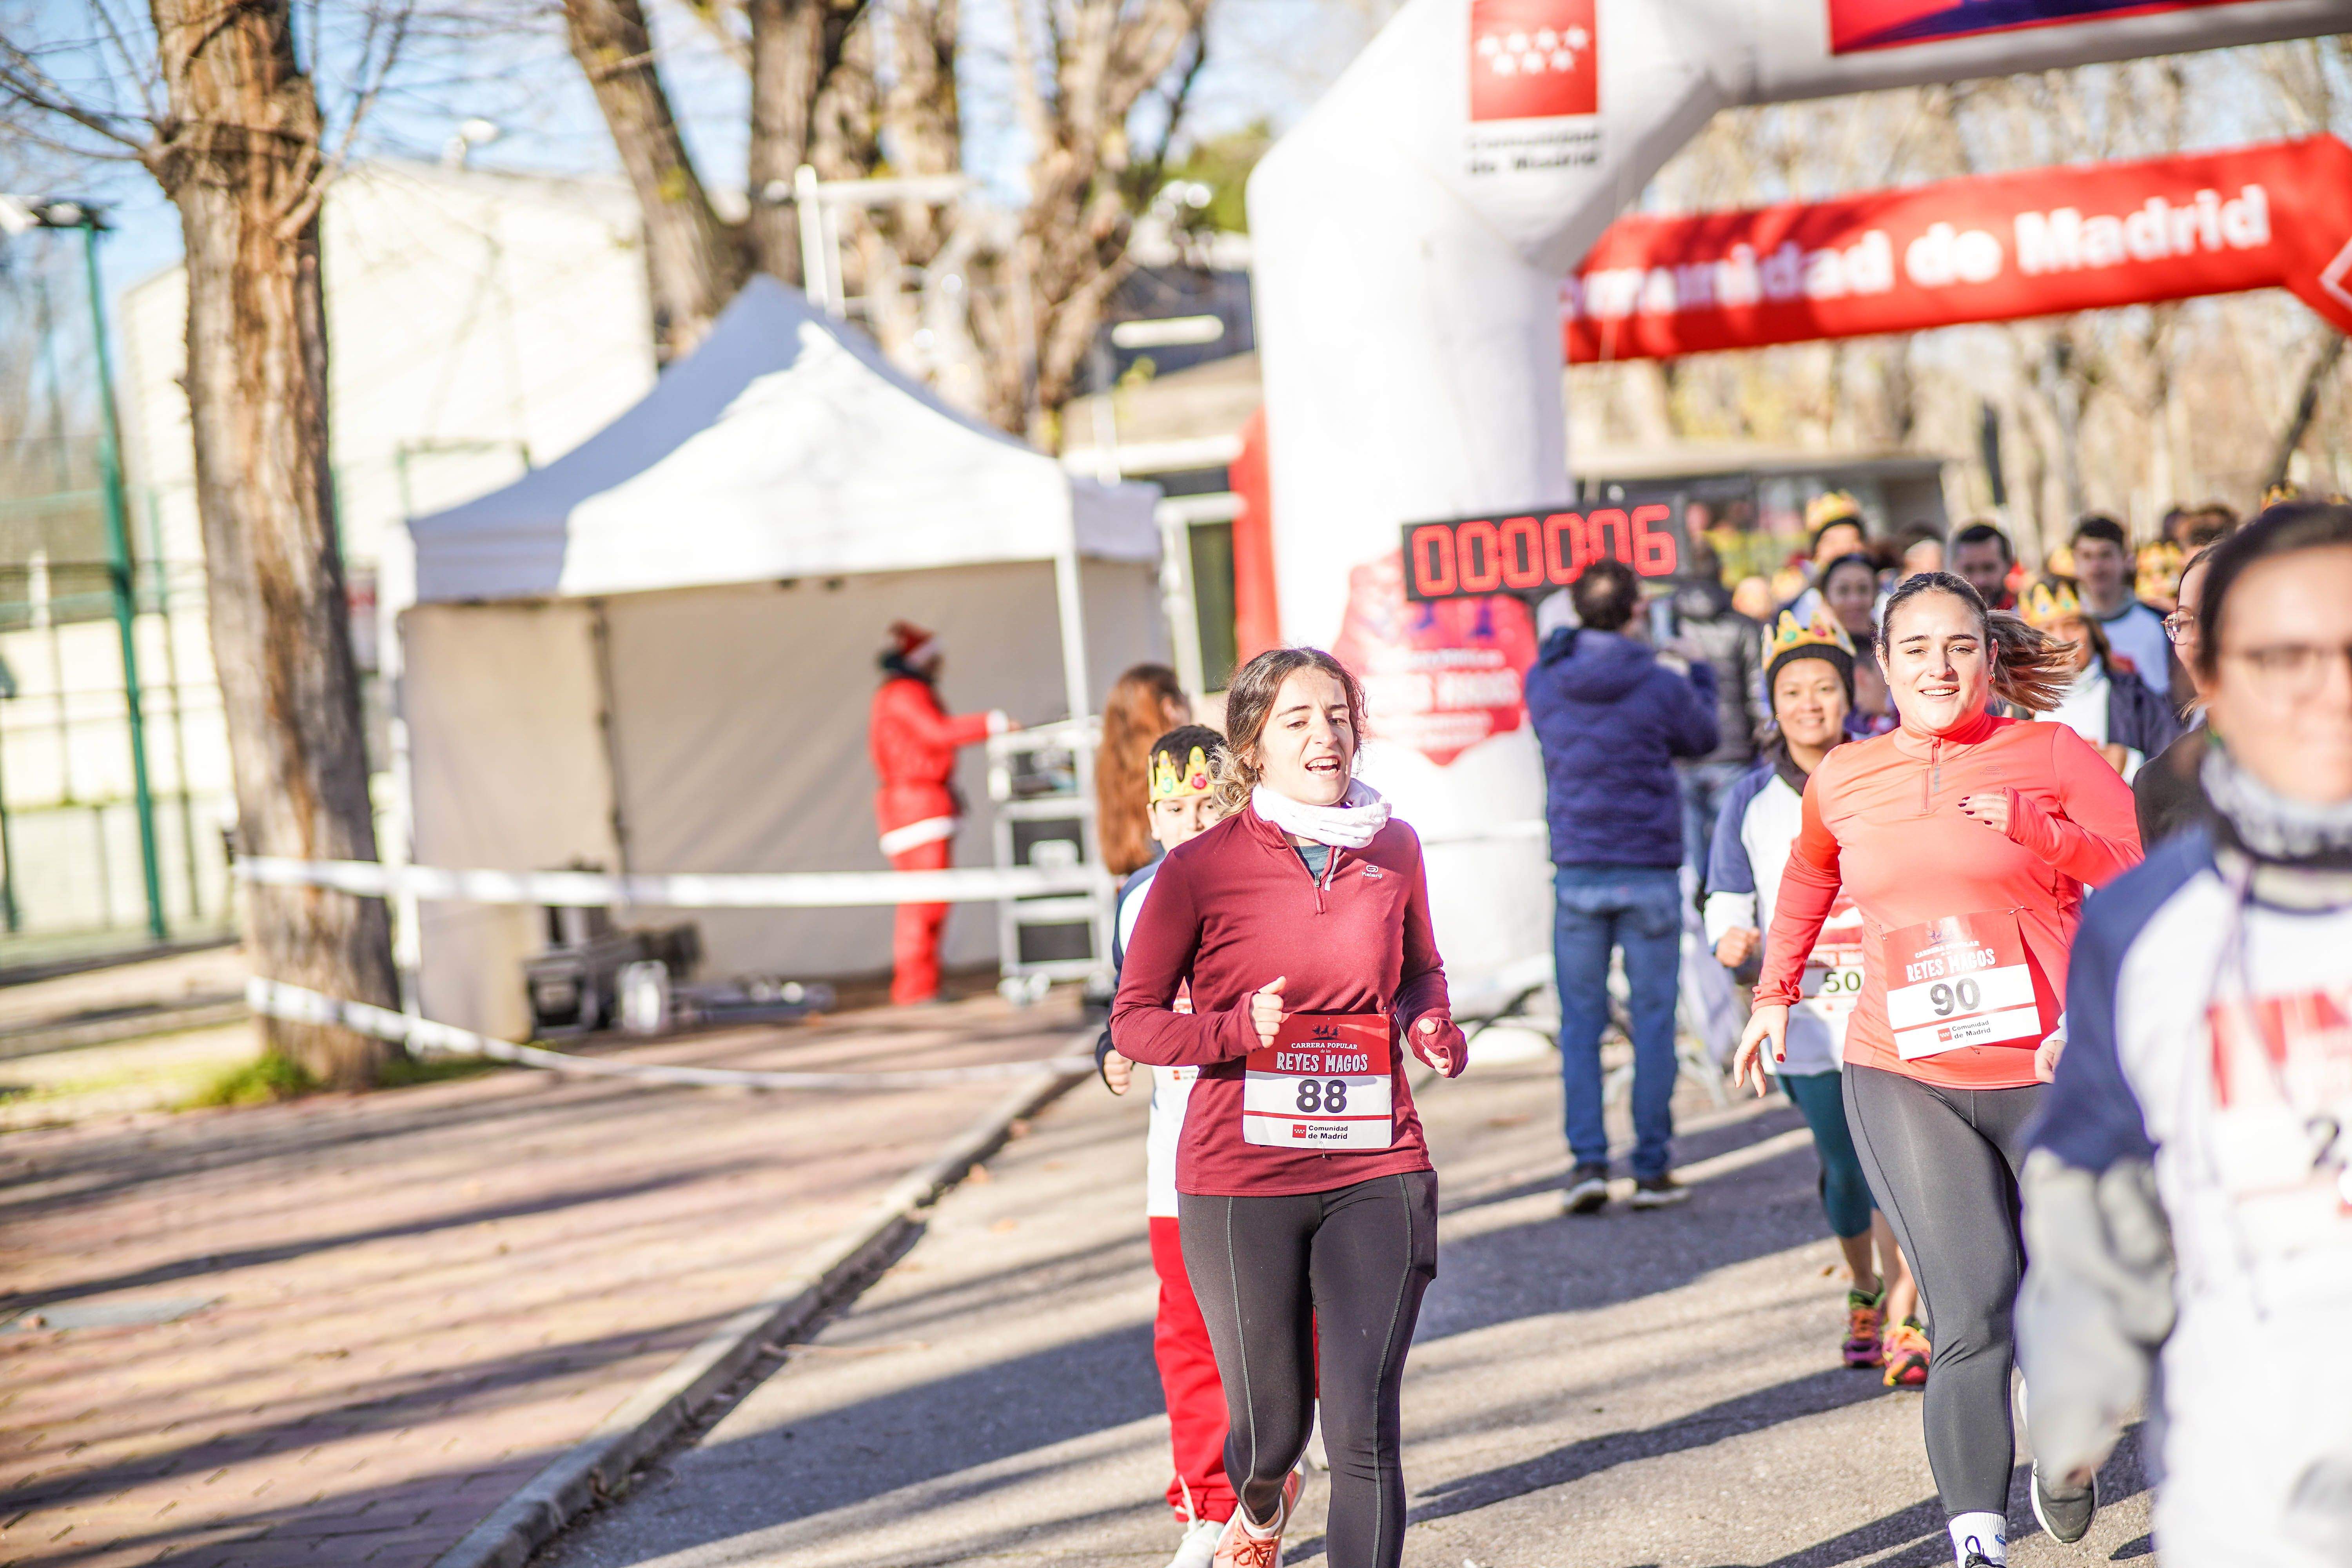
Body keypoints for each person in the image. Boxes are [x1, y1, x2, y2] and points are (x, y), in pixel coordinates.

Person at [1732, 571, 2141, 1568]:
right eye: (1915, 648)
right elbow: (1810, 872)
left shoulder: (2052, 752)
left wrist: (2041, 831)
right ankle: (1977, 1540)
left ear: (1990, 656)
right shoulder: (1845, 776)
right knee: (1971, 1300)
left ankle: (2065, 1434)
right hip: (1902, 1070)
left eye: (1959, 645)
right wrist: (1774, 993)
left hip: (2048, 1069)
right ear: (1884, 663)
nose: (1939, 667)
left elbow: (2142, 872)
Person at [2018, 501, 2352, 1566]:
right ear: (2215, 672)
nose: (2328, 687)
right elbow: (2092, 1162)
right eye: (2284, 656)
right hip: (2254, 1474)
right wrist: (2078, 1358)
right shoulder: (2146, 923)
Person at [1111, 646, 1466, 1568]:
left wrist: (1430, 1021)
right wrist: (1232, 1029)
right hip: (1239, 1175)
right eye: (1298, 719)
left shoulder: (1393, 846)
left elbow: (1419, 970)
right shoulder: (1199, 868)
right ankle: (1261, 1502)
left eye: (1339, 715)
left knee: (1364, 1428)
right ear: (1252, 746)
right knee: (1272, 1429)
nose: (1326, 735)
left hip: (1375, 1159)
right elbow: (1134, 1021)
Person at [1707, 610, 1922, 1381]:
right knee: (1845, 1167)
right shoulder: (1750, 799)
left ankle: (1906, 1319)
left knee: (1896, 1164)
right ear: (1773, 703)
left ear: (1850, 692)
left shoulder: (1884, 772)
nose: (1809, 704)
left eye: (1824, 687)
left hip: (1891, 1007)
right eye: (1792, 690)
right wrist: (1730, 938)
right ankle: (1865, 1286)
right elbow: (1725, 897)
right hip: (1803, 1021)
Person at [1526, 558, 1719, 1212]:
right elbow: (1703, 738)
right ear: (1638, 609)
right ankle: (1651, 1168)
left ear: (1576, 609)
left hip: (1579, 867)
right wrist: (1698, 671)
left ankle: (1586, 1166)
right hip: (1648, 868)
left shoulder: (1546, 677)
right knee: (1654, 1022)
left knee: (1580, 1025)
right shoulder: (1661, 680)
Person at [1097, 724, 1236, 1567]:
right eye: (1172, 809)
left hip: (1272, 1147)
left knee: (1291, 1319)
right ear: (1151, 816)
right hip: (1177, 1155)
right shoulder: (1136, 899)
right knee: (1188, 1330)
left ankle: (1284, 1443)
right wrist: (1111, 1047)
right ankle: (1208, 1505)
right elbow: (1127, 1001)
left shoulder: (1269, 882)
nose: (1188, 823)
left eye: (1206, 806)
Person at [868, 622, 1014, 1005]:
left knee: (927, 901)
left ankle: (922, 982)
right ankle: (915, 987)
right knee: (925, 902)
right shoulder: (905, 692)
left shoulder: (901, 692)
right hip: (917, 805)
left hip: (919, 802)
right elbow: (937, 732)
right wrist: (991, 724)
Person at [1660, 540, 1769, 875]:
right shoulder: (1744, 626)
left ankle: (1699, 906)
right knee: (1733, 853)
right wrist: (1764, 738)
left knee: (1692, 860)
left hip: (1683, 754)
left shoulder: (1665, 624)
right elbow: (1758, 691)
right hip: (1734, 754)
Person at [2020, 580, 2181, 780]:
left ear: (2092, 632)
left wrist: (2130, 765)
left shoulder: (2136, 699)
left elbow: (2177, 769)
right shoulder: (2014, 709)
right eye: (2047, 629)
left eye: (2072, 625)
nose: (2061, 639)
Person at [2134, 548, 2215, 846]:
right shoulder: (2159, 782)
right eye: (2183, 621)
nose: (2194, 639)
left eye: (2212, 616)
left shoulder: (2329, 745)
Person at [1098, 665, 1194, 878]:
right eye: (1184, 696)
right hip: (1173, 874)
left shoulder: (1109, 763)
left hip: (1132, 878)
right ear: (1170, 708)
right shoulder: (1177, 763)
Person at [2068, 514, 2172, 702]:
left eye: (2105, 555)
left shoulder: (2159, 623)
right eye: (2087, 556)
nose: (2096, 566)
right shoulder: (2066, 629)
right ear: (2075, 562)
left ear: (2125, 559)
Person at [1819, 551, 1895, 732]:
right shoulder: (1814, 653)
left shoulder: (1893, 647)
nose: (1854, 601)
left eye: (1863, 590)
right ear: (1826, 597)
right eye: (1843, 591)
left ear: (1875, 594)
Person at [1780, 492, 1871, 625]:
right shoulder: (1803, 603)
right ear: (1817, 551)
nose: (1843, 549)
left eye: (1852, 540)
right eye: (1832, 542)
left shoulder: (1888, 594)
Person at [1950, 521, 2018, 612]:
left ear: (2009, 565)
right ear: (1955, 568)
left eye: (1989, 568)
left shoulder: (2030, 614)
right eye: (1969, 569)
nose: (1980, 581)